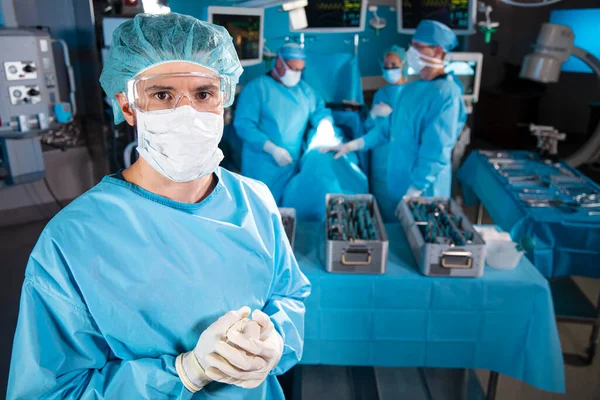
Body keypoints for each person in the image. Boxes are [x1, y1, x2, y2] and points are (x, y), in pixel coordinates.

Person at [7, 13, 310, 400]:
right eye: (163, 95)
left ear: (225, 99)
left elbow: (290, 296)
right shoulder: (74, 240)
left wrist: (274, 339)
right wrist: (183, 373)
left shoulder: (255, 202)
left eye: (203, 94)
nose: (187, 113)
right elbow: (48, 392)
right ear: (128, 105)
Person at [323, 20, 467, 221]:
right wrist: (350, 146)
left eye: (418, 47)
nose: (411, 51)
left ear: (436, 51)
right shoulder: (411, 90)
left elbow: (436, 150)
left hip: (425, 191)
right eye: (412, 45)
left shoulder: (446, 94)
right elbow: (386, 130)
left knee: (420, 241)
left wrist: (414, 191)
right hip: (397, 185)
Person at [234, 43, 334, 204]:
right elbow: (244, 125)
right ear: (279, 62)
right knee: (261, 208)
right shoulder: (256, 88)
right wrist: (271, 148)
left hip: (292, 164)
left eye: (301, 70)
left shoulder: (305, 91)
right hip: (262, 166)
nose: (297, 74)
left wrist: (325, 124)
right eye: (294, 69)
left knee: (288, 210)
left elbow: (320, 112)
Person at [322, 46, 409, 220]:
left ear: (404, 65)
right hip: (378, 157)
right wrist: (371, 117)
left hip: (399, 158)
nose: (389, 68)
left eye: (394, 64)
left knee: (401, 213)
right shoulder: (381, 94)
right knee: (382, 207)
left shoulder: (410, 94)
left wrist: (393, 115)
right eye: (386, 65)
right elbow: (372, 129)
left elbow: (409, 129)